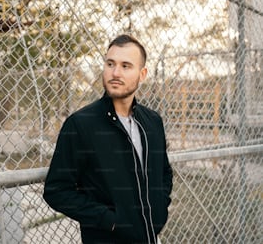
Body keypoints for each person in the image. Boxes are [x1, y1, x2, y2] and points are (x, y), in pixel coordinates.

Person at [43, 34, 173, 244]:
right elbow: (56, 191)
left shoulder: (152, 122)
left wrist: (159, 211)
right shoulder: (81, 125)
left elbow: (164, 172)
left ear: (143, 74)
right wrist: (110, 221)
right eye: (110, 63)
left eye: (126, 66)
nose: (115, 73)